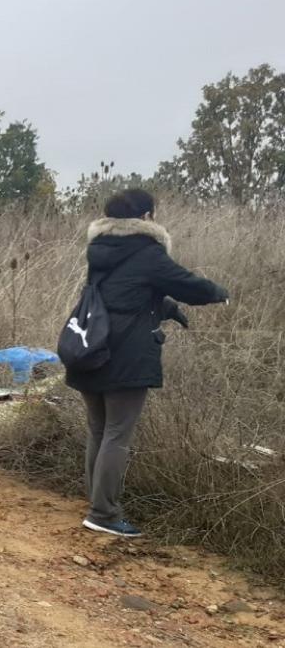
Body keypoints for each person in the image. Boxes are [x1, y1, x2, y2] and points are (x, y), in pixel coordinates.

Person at [66, 189, 228, 539]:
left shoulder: (100, 250)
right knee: (117, 433)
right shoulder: (147, 251)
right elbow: (188, 284)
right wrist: (220, 293)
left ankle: (96, 500)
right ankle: (104, 513)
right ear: (146, 216)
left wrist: (166, 308)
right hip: (126, 354)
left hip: (90, 348)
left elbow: (120, 292)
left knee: (99, 429)